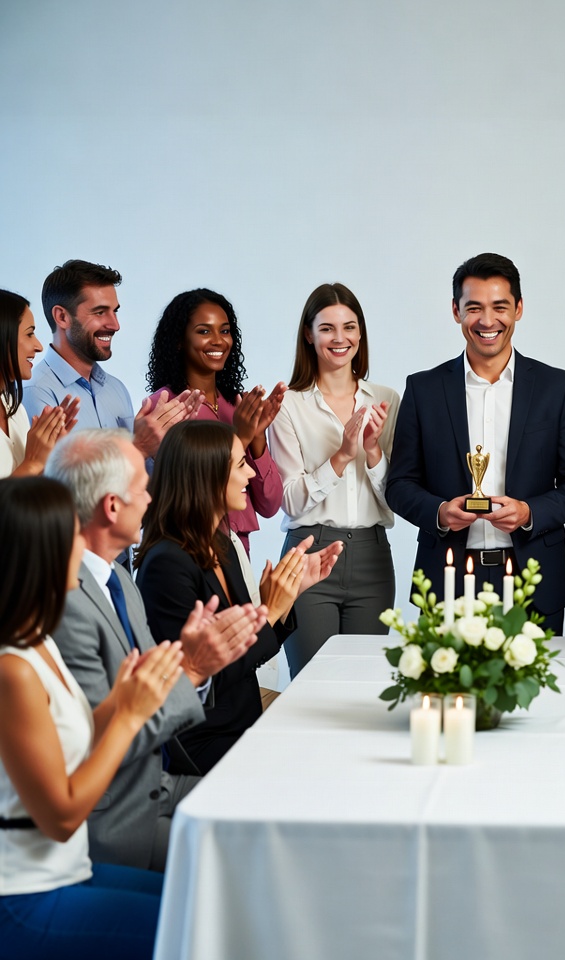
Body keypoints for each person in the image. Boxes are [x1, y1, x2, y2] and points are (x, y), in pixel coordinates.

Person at [45, 429, 267, 870]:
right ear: (112, 507)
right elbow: (102, 741)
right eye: (142, 489)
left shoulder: (120, 581)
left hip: (156, 783)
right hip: (116, 815)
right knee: (250, 854)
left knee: (270, 810)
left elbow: (155, 694)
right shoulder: (66, 602)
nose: (151, 499)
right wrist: (193, 670)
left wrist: (191, 666)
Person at [0, 476, 181, 959]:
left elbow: (70, 739)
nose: (83, 543)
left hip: (68, 871)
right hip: (24, 895)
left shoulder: (36, 642)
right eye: (71, 535)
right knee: (195, 931)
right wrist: (126, 718)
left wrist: (125, 702)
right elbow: (60, 817)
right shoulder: (10, 669)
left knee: (202, 905)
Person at [386, 252, 565, 634]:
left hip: (534, 580)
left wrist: (530, 513)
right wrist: (440, 513)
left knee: (533, 696)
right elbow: (398, 486)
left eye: (499, 307)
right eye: (473, 308)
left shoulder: (555, 387)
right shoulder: (424, 389)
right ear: (455, 311)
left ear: (518, 308)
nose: (487, 321)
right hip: (446, 581)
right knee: (450, 694)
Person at [135, 420, 341, 772]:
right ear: (207, 475)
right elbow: (206, 679)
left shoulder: (220, 543)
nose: (250, 476)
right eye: (241, 465)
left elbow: (249, 653)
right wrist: (268, 610)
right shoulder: (166, 565)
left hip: (242, 723)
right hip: (202, 741)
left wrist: (287, 597)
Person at [268, 282, 398, 677]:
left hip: (373, 560)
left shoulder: (387, 399)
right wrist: (342, 456)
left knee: (363, 690)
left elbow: (397, 499)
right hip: (308, 553)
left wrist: (372, 451)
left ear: (361, 333)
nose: (340, 339)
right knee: (311, 686)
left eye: (349, 327)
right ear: (309, 334)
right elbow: (290, 499)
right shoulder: (288, 403)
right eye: (327, 328)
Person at [146, 288, 284, 555]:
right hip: (190, 552)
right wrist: (240, 438)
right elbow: (179, 499)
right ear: (178, 340)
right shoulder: (163, 407)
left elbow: (270, 505)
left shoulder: (239, 406)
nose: (219, 341)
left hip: (239, 553)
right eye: (204, 331)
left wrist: (256, 438)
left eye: (225, 330)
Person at [23, 259, 201, 459]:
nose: (115, 325)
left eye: (114, 311)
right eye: (100, 312)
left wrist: (165, 448)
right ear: (62, 317)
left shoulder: (117, 389)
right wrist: (139, 447)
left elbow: (140, 476)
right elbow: (58, 484)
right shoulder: (36, 392)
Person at [0, 289, 78, 477]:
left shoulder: (15, 408)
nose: (39, 346)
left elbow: (27, 498)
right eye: (29, 334)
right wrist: (32, 463)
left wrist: (48, 457)